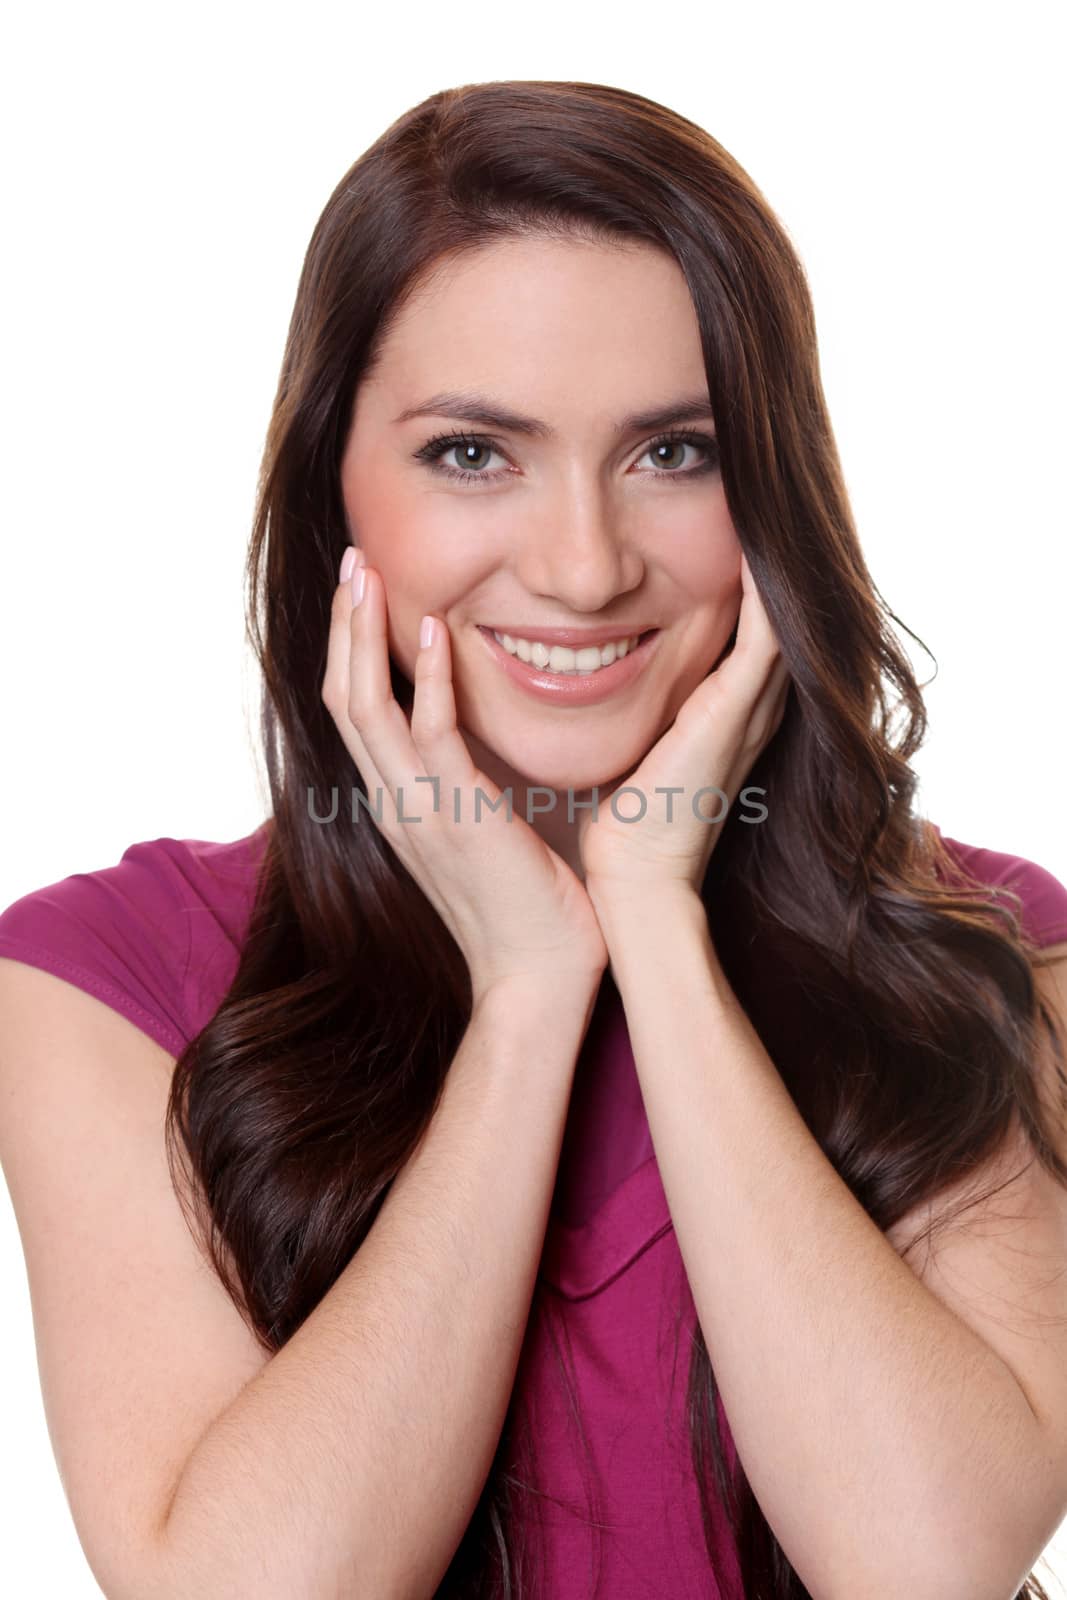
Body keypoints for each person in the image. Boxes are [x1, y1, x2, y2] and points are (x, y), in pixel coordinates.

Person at [1, 78, 1066, 1600]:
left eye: (675, 452)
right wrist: (524, 991)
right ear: (335, 495)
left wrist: (655, 922)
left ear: (774, 489)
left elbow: (922, 1563)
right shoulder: (102, 978)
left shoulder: (991, 950)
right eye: (472, 454)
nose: (582, 568)